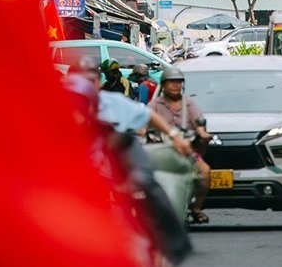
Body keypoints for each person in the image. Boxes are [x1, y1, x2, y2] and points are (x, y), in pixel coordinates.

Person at [64, 60, 195, 264]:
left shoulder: (114, 106)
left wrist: (174, 136)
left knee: (146, 184)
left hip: (120, 166)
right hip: (81, 181)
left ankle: (172, 244)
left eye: (90, 81)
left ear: (98, 83)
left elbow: (145, 117)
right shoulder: (54, 112)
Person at [149, 66, 213, 225]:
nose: (175, 85)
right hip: (161, 150)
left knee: (205, 173)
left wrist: (202, 133)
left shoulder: (188, 103)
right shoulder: (155, 104)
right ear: (163, 85)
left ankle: (196, 209)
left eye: (178, 82)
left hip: (185, 150)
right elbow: (143, 122)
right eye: (171, 82)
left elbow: (199, 122)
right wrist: (141, 132)